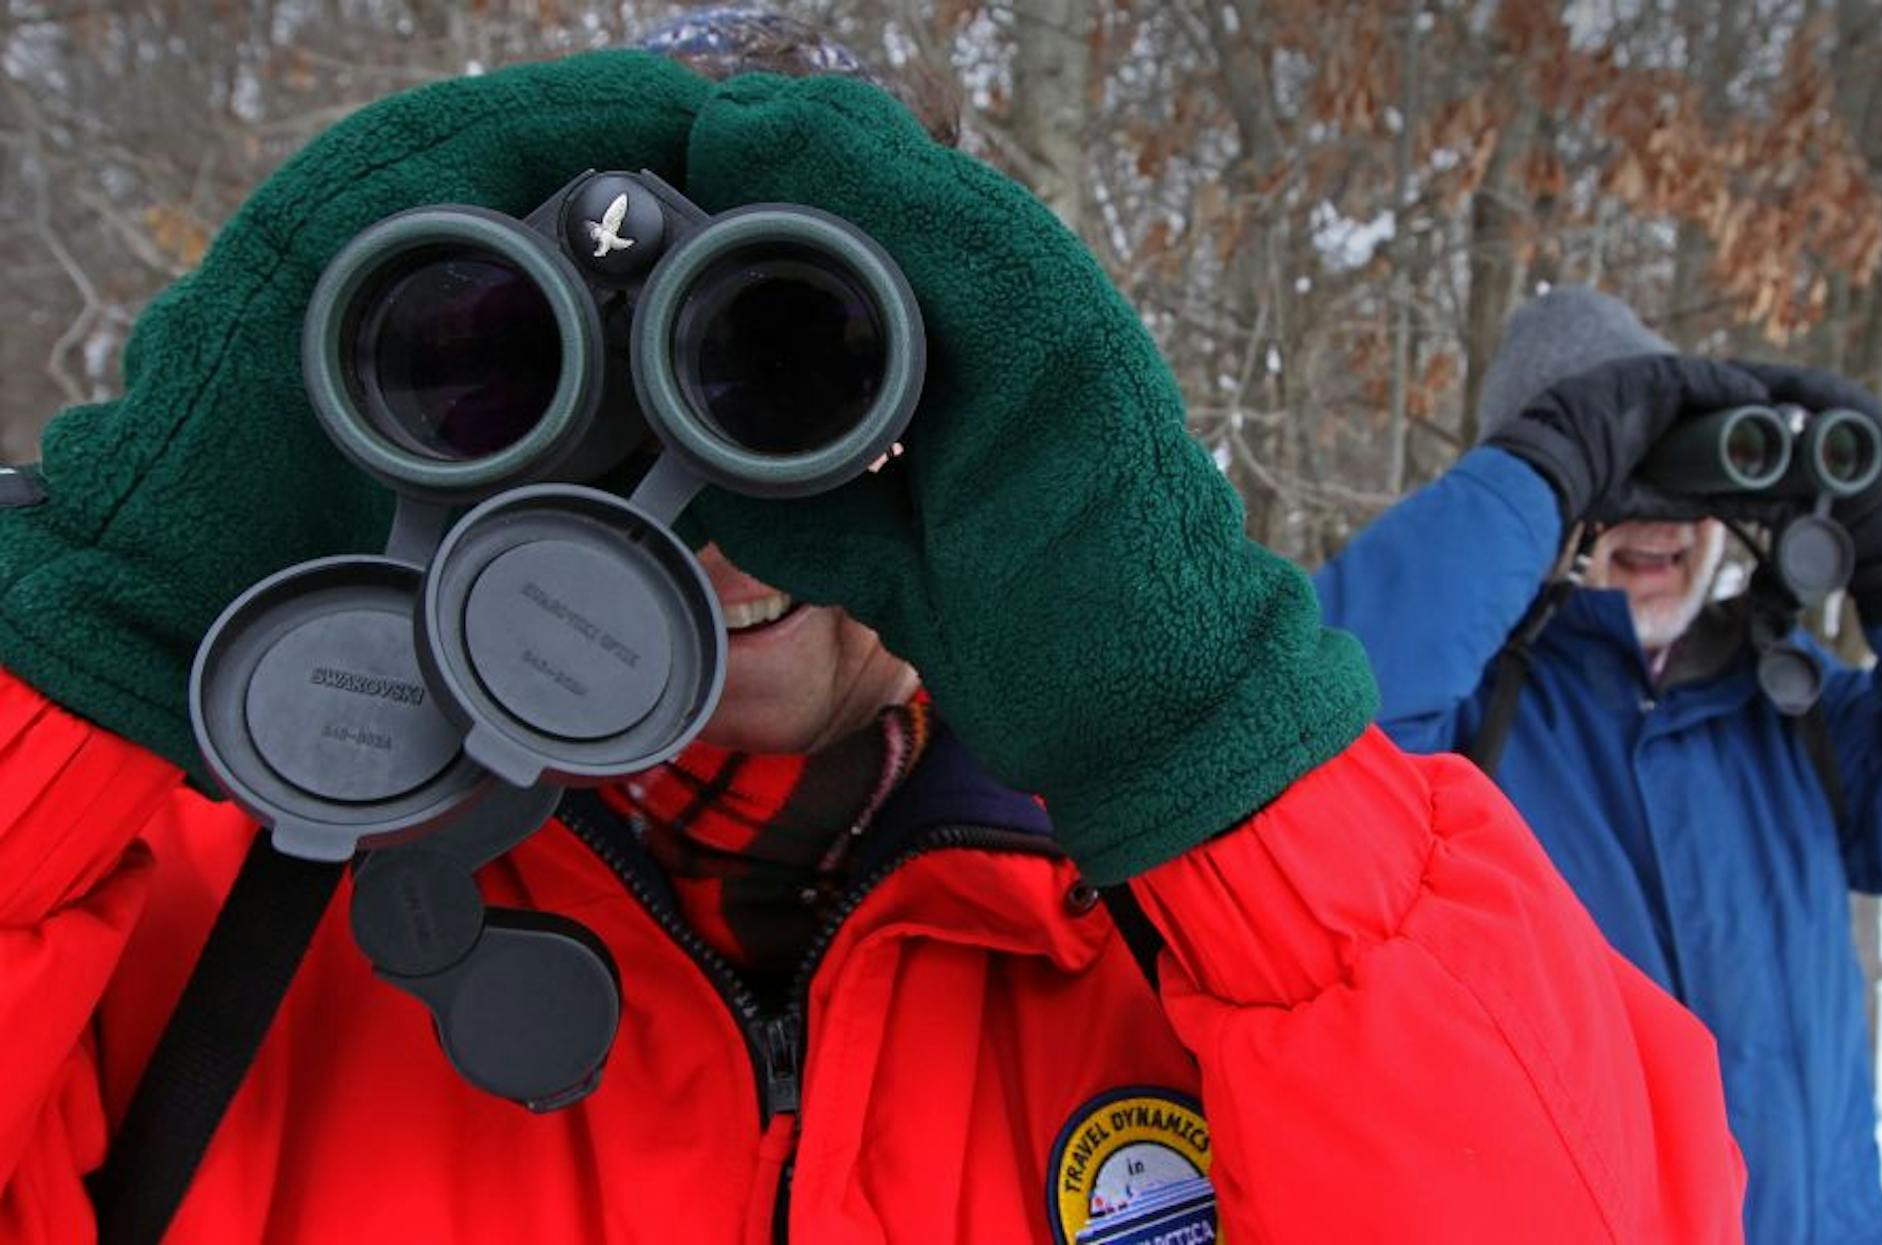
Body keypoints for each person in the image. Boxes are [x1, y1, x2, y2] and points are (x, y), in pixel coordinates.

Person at [0, 18, 1747, 1245]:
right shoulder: (189, 896)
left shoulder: (1214, 943)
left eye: (795, 375)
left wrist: (1209, 734)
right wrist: (94, 643)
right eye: (565, 386)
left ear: (975, 421)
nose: (705, 507)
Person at [1316, 286, 1882, 1244]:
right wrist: (1543, 470)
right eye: (1615, 474)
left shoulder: (1788, 705)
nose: (1659, 514)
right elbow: (1298, 744)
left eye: (1683, 472)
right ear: (1535, 513)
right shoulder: (1459, 731)